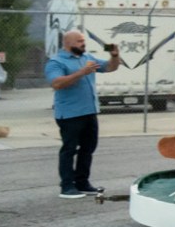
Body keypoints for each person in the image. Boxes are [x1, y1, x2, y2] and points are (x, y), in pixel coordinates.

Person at [45, 30, 122, 198]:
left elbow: (110, 67)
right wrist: (82, 73)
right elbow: (57, 83)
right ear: (68, 43)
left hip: (89, 111)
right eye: (79, 41)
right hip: (70, 114)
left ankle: (82, 182)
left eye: (83, 41)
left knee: (88, 148)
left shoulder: (87, 58)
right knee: (69, 149)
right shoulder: (56, 62)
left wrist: (114, 56)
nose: (83, 44)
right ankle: (66, 186)